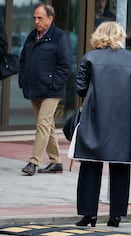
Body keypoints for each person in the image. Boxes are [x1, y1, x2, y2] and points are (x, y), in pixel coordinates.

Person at [71, 21, 131, 228]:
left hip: (94, 117)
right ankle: (115, 215)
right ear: (119, 36)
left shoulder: (90, 57)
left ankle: (88, 214)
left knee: (90, 165)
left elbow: (80, 88)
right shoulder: (129, 59)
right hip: (121, 119)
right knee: (120, 167)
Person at [19, 3, 73, 176]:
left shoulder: (59, 37)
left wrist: (53, 84)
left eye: (40, 18)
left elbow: (66, 65)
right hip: (34, 88)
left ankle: (33, 162)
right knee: (46, 125)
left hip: (51, 90)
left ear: (50, 18)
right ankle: (56, 162)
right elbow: (23, 60)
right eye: (35, 17)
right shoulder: (31, 36)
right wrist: (23, 80)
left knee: (43, 124)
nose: (36, 21)